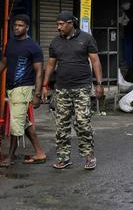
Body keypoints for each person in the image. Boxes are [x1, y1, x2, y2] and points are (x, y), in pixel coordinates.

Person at [41, 11, 103, 170]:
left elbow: (95, 61)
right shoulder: (55, 42)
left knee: (82, 122)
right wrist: (44, 85)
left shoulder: (86, 38)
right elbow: (50, 64)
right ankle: (64, 158)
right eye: (57, 24)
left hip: (82, 87)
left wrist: (99, 84)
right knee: (62, 125)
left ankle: (89, 156)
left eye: (61, 24)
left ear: (70, 23)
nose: (58, 27)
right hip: (61, 89)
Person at [0, 15, 47, 166]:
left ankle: (10, 157)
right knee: (24, 123)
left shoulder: (33, 46)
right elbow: (3, 62)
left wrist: (37, 93)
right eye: (15, 25)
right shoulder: (10, 43)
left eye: (20, 25)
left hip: (24, 88)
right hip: (12, 89)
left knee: (16, 124)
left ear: (27, 27)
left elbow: (39, 72)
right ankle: (39, 152)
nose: (17, 28)